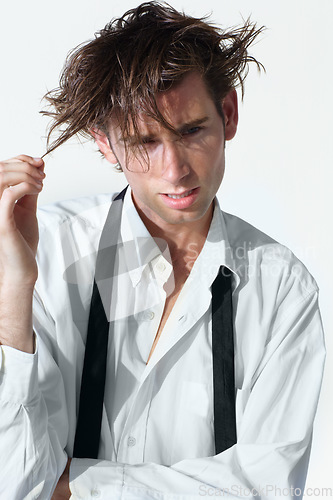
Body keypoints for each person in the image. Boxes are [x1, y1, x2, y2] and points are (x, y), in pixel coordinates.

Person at [0, 2, 325, 499]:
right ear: (105, 143)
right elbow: (15, 484)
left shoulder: (281, 286)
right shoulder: (47, 255)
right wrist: (12, 295)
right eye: (143, 141)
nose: (175, 171)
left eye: (191, 131)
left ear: (229, 114)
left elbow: (265, 490)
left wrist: (73, 487)